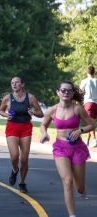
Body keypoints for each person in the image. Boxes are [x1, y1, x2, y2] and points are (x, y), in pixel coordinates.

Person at [40, 80, 94, 217]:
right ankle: (72, 215)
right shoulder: (52, 110)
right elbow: (43, 125)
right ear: (58, 92)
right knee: (68, 181)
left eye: (69, 91)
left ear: (72, 94)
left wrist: (80, 130)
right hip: (60, 148)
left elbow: (91, 125)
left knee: (79, 188)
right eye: (63, 90)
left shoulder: (78, 109)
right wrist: (44, 133)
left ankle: (81, 189)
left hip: (77, 148)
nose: (66, 93)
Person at [0, 76, 44, 193]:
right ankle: (14, 170)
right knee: (14, 156)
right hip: (12, 127)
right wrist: (6, 115)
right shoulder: (8, 98)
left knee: (24, 159)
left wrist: (33, 112)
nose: (14, 84)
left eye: (17, 82)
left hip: (25, 127)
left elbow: (41, 113)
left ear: (22, 84)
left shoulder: (30, 97)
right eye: (12, 83)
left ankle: (22, 182)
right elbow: (1, 110)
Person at [79, 65, 97, 147]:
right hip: (96, 104)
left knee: (89, 124)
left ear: (86, 72)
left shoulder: (85, 81)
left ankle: (94, 139)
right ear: (94, 72)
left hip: (88, 102)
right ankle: (87, 140)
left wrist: (77, 103)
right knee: (91, 123)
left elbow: (79, 92)